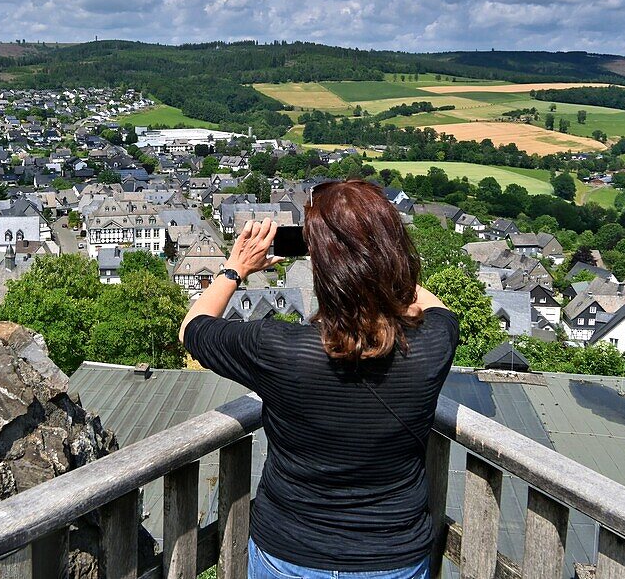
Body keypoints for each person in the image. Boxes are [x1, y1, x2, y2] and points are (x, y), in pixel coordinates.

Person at [179, 179, 459, 579]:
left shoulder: (278, 348)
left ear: (322, 267)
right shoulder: (432, 344)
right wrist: (370, 257)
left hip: (289, 551)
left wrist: (234, 268)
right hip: (392, 556)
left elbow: (191, 328)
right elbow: (433, 307)